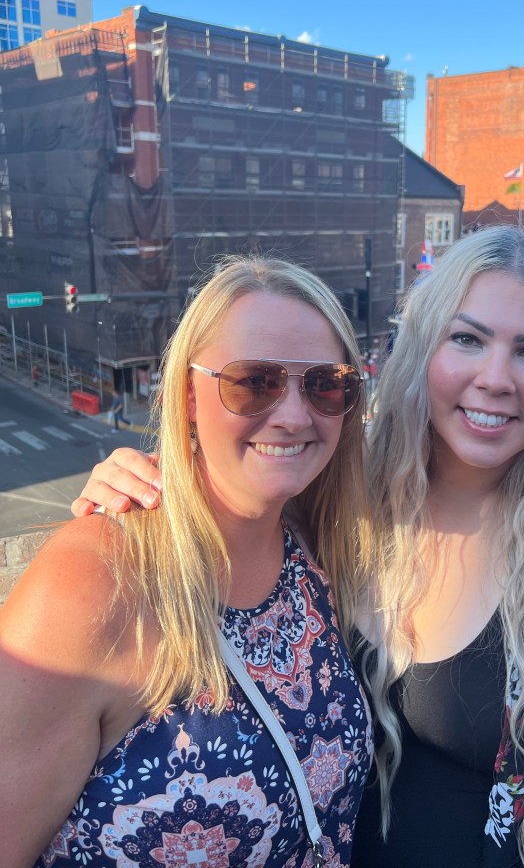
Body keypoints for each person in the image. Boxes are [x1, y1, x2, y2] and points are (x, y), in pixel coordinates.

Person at [69, 227, 524, 868]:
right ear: (421, 347)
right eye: (468, 339)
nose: (496, 379)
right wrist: (145, 482)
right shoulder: (335, 497)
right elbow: (235, 480)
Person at [0, 255, 373, 868]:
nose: (293, 415)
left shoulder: (315, 548)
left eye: (326, 384)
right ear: (188, 396)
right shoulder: (96, 581)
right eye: (253, 382)